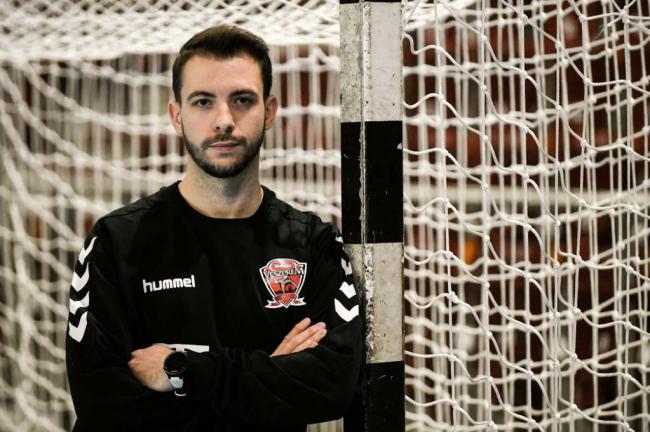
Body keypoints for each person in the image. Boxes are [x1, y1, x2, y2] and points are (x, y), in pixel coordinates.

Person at [65, 25, 362, 431]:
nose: (224, 121)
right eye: (203, 102)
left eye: (242, 100)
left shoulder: (313, 245)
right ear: (176, 115)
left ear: (270, 111)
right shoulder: (116, 243)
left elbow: (331, 387)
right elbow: (103, 403)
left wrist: (181, 370)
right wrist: (267, 378)